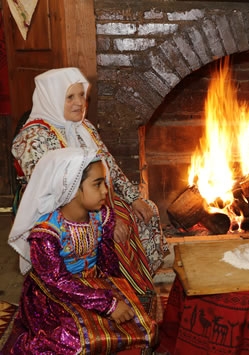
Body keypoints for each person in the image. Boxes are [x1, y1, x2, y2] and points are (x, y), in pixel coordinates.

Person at [11, 67, 169, 276]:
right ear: (51, 98)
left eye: (81, 95)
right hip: (56, 211)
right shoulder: (33, 137)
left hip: (92, 197)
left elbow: (109, 165)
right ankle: (105, 287)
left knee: (146, 210)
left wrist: (134, 199)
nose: (79, 102)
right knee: (113, 231)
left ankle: (141, 282)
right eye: (70, 97)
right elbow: (52, 192)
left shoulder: (85, 127)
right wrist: (107, 219)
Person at [3, 147, 158, 354]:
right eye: (97, 184)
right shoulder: (47, 233)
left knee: (145, 328)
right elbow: (58, 282)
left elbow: (108, 263)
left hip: (93, 286)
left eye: (105, 183)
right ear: (72, 187)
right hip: (54, 297)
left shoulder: (101, 217)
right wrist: (108, 305)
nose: (105, 191)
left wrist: (119, 294)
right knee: (75, 342)